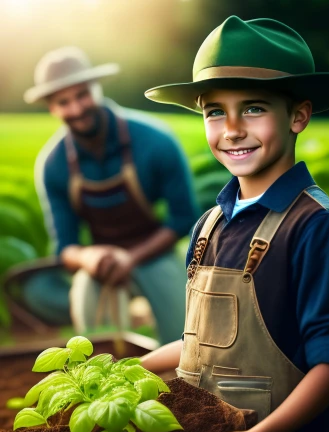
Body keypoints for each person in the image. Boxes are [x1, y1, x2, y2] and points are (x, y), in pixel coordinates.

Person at [140, 16, 329, 432]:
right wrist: (124, 371)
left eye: (254, 108)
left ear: (299, 116)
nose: (232, 128)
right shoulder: (210, 224)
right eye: (215, 111)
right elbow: (202, 342)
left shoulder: (317, 230)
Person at [20, 46, 199, 343]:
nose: (76, 109)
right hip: (100, 262)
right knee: (93, 337)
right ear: (52, 107)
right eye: (63, 102)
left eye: (82, 95)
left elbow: (182, 218)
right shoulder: (53, 164)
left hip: (155, 251)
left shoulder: (155, 140)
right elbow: (65, 245)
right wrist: (89, 256)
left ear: (97, 88)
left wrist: (130, 257)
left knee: (183, 335)